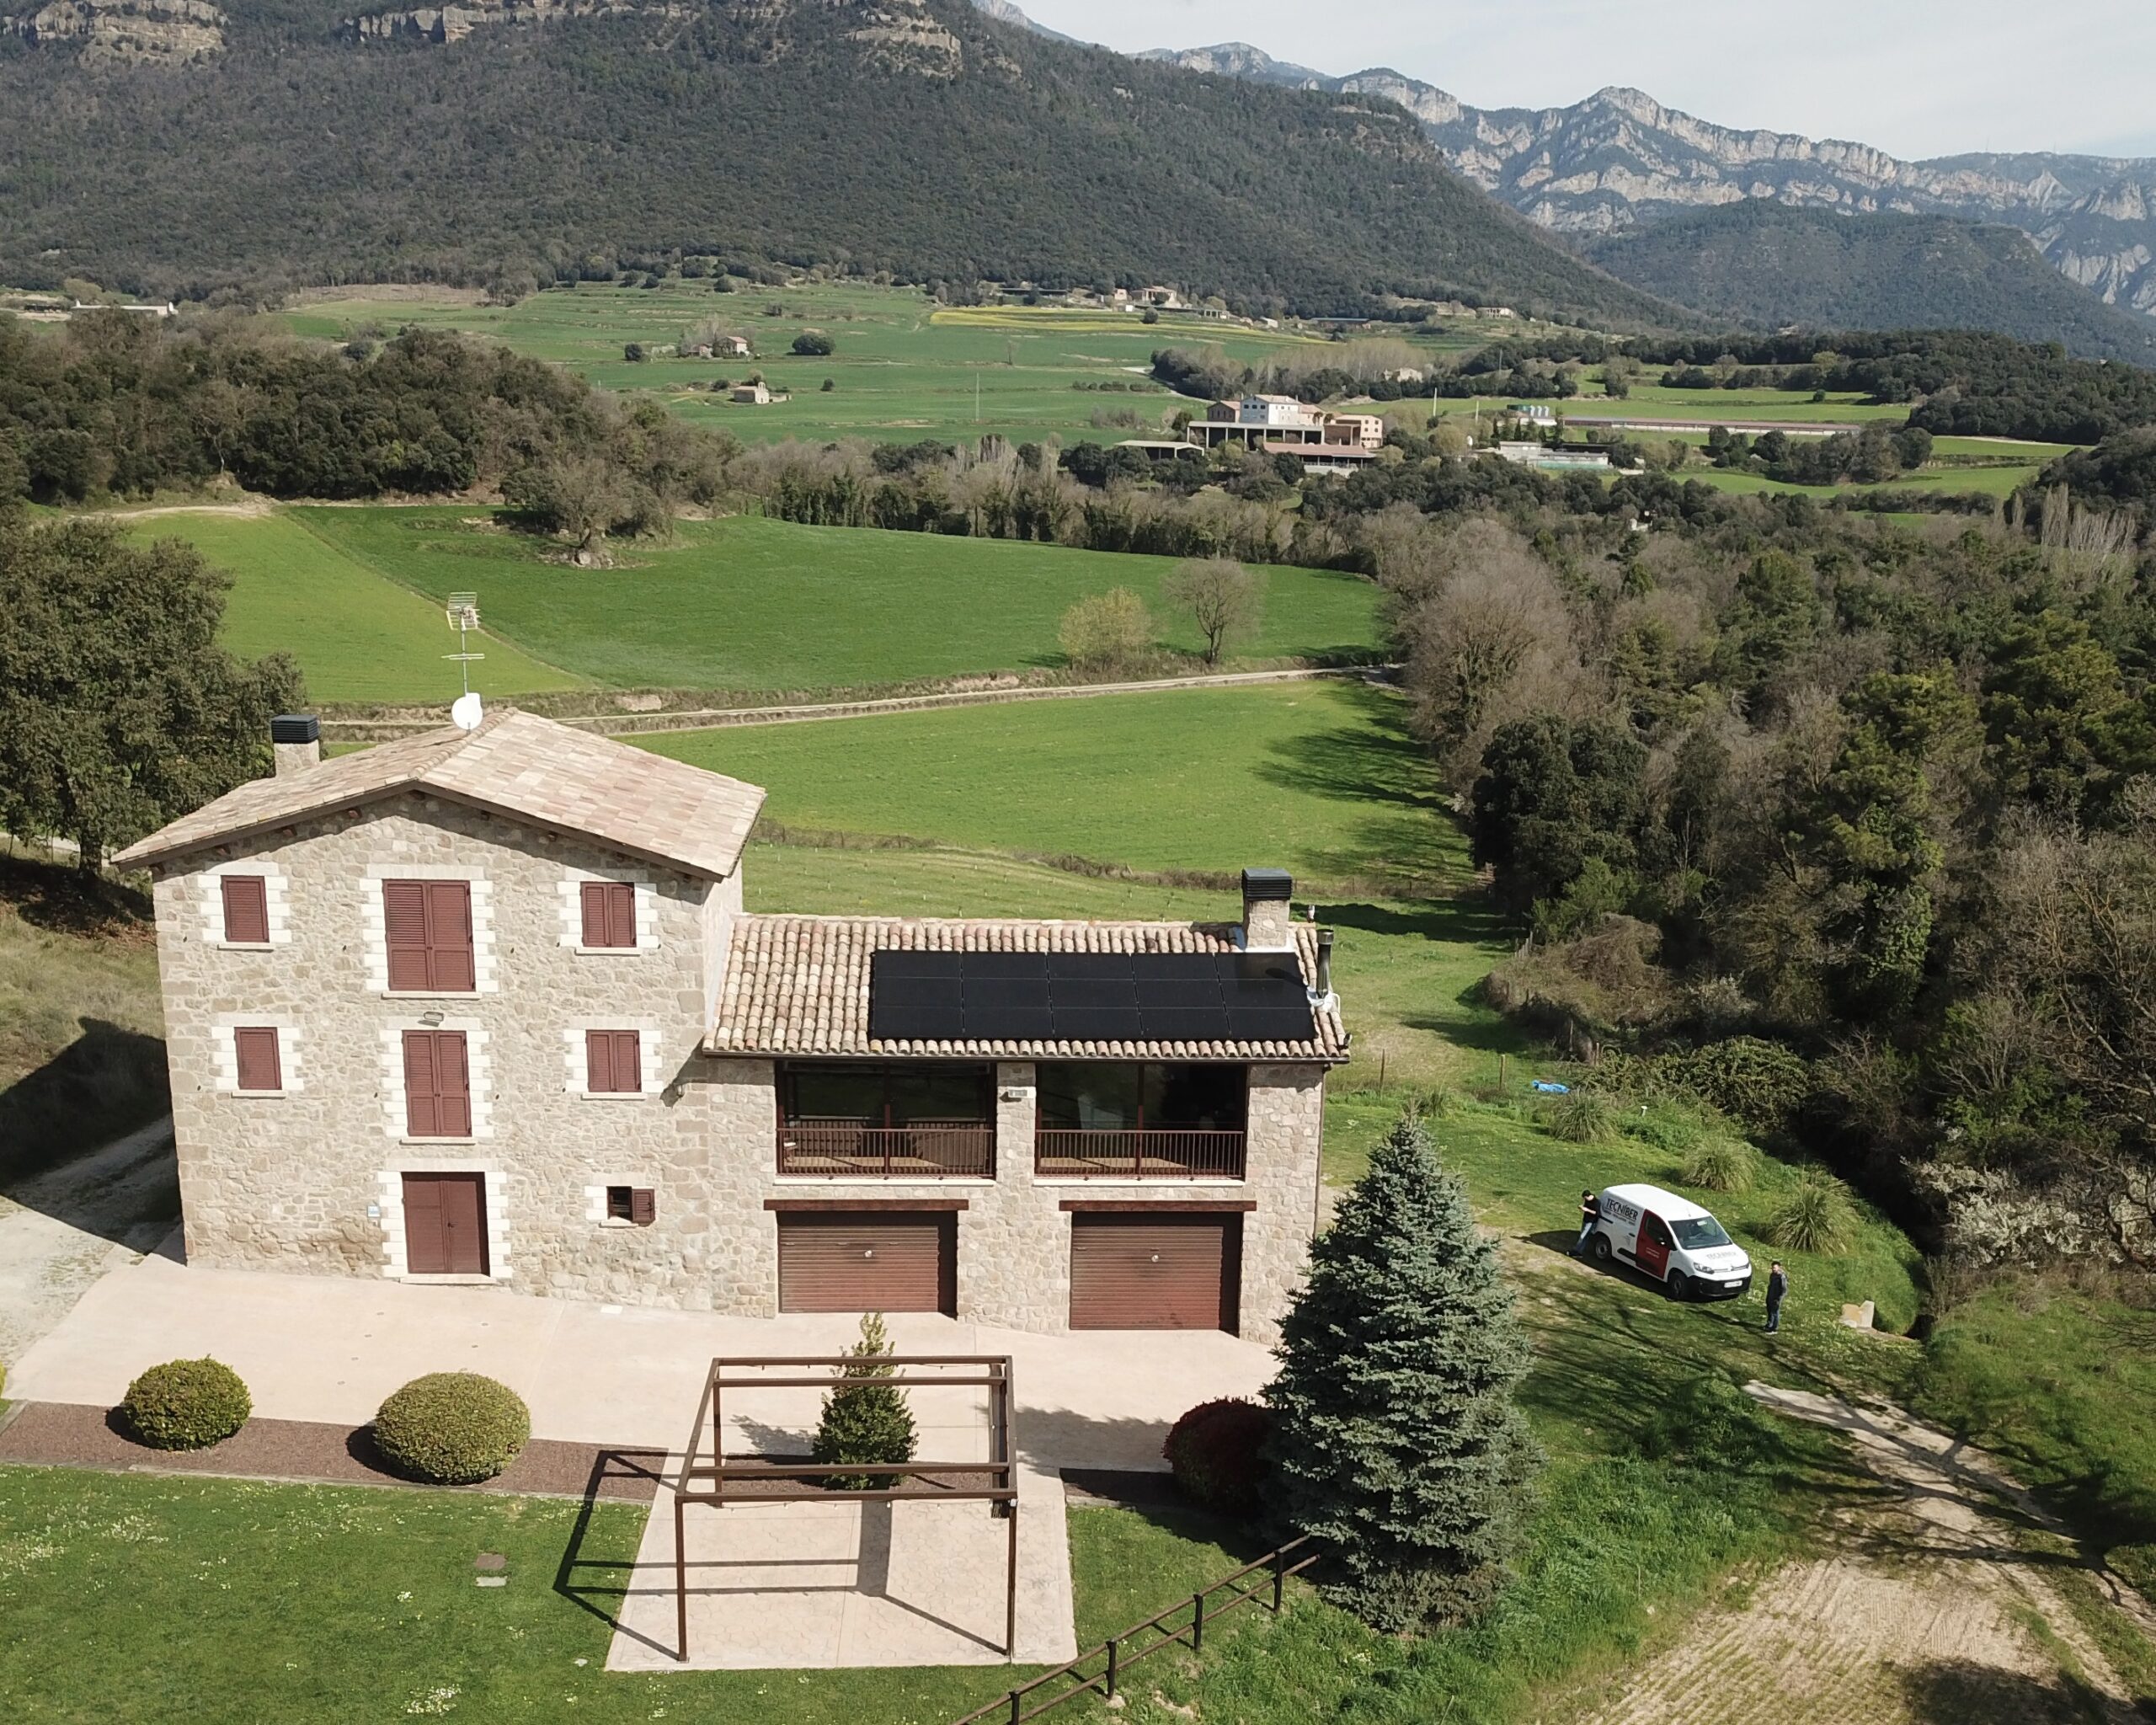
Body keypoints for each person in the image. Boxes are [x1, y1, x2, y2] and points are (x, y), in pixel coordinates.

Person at [1573, 1188, 1600, 1257]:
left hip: (1591, 1222)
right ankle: (1579, 1251)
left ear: (1588, 1196)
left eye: (1585, 1198)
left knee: (1583, 1237)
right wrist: (1582, 1207)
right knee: (1583, 1236)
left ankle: (1576, 1250)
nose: (1584, 1200)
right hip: (1585, 1220)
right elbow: (1585, 1206)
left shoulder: (1596, 1202)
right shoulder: (1587, 1200)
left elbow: (1596, 1213)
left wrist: (1587, 1210)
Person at [1764, 1260, 1788, 1332]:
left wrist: (1779, 1299)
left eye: (1775, 1268)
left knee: (1775, 1312)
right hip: (1770, 1295)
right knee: (1770, 1310)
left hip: (1777, 1298)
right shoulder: (1772, 1275)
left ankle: (1774, 1328)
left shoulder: (1782, 1277)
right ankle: (1769, 1324)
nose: (1773, 1269)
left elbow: (1784, 1290)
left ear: (1779, 1268)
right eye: (1772, 1268)